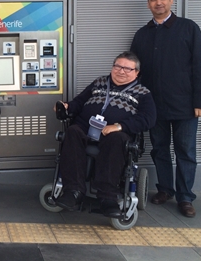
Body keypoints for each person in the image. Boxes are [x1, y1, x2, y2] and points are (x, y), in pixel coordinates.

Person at [131, 0, 201, 218]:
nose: (158, 2)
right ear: (148, 4)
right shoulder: (142, 34)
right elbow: (135, 71)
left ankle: (185, 197)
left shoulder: (189, 28)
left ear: (171, 0)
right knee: (159, 149)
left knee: (185, 151)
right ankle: (165, 189)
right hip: (153, 106)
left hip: (186, 106)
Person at [54, 51, 156, 217]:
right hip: (85, 128)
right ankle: (73, 192)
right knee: (71, 132)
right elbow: (79, 102)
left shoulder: (143, 93)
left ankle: (107, 198)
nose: (121, 71)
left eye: (127, 69)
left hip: (116, 135)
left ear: (136, 72)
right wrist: (67, 107)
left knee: (117, 140)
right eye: (118, 66)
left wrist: (119, 126)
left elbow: (148, 119)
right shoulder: (99, 82)